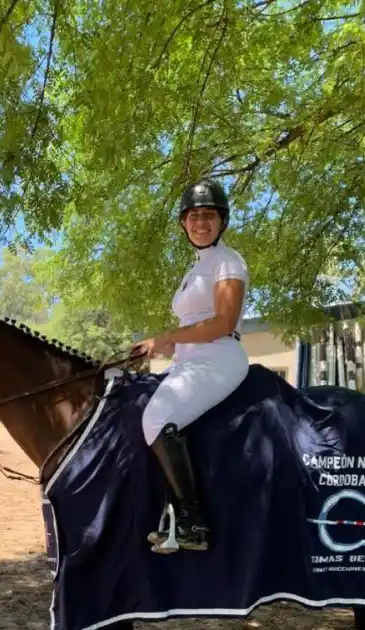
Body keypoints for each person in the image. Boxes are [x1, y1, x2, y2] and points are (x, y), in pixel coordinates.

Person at [131, 178, 249, 553]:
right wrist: (160, 348)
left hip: (219, 358)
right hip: (191, 361)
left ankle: (192, 523)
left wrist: (166, 338)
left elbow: (222, 322)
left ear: (222, 221)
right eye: (194, 216)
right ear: (184, 223)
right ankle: (164, 510)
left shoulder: (228, 262)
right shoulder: (196, 268)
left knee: (156, 418)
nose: (201, 223)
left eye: (209, 216)